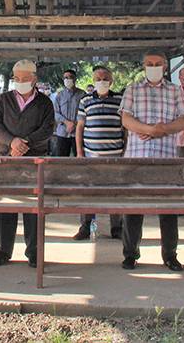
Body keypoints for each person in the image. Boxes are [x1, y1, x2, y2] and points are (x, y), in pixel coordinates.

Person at [119, 51, 184, 272]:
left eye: (158, 64)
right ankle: (130, 254)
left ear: (165, 67)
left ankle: (170, 255)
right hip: (136, 158)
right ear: (143, 66)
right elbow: (126, 119)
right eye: (149, 63)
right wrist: (151, 130)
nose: (154, 66)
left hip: (166, 158)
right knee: (133, 209)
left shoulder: (175, 90)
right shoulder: (133, 89)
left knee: (168, 210)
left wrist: (164, 129)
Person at [0, 60, 55, 268]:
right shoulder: (3, 99)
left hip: (34, 161)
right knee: (7, 206)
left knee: (34, 208)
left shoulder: (45, 102)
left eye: (25, 78)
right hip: (7, 159)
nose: (20, 82)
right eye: (16, 78)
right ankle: (3, 250)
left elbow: (47, 129)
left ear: (34, 79)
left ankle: (34, 252)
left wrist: (25, 143)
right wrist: (12, 142)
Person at [73, 66, 125, 241]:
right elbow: (80, 127)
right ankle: (86, 227)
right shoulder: (85, 100)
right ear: (93, 81)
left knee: (115, 193)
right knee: (88, 193)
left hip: (115, 157)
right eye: (98, 79)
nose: (101, 81)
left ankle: (117, 228)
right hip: (91, 157)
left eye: (105, 79)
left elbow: (125, 127)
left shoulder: (120, 99)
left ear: (111, 81)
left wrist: (125, 151)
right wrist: (79, 153)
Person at [50, 69, 86, 157]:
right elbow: (55, 113)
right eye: (65, 77)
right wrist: (67, 122)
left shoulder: (82, 94)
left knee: (80, 159)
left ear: (75, 79)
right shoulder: (59, 95)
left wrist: (74, 123)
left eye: (70, 77)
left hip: (78, 133)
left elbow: (85, 112)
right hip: (62, 133)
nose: (67, 79)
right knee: (61, 160)